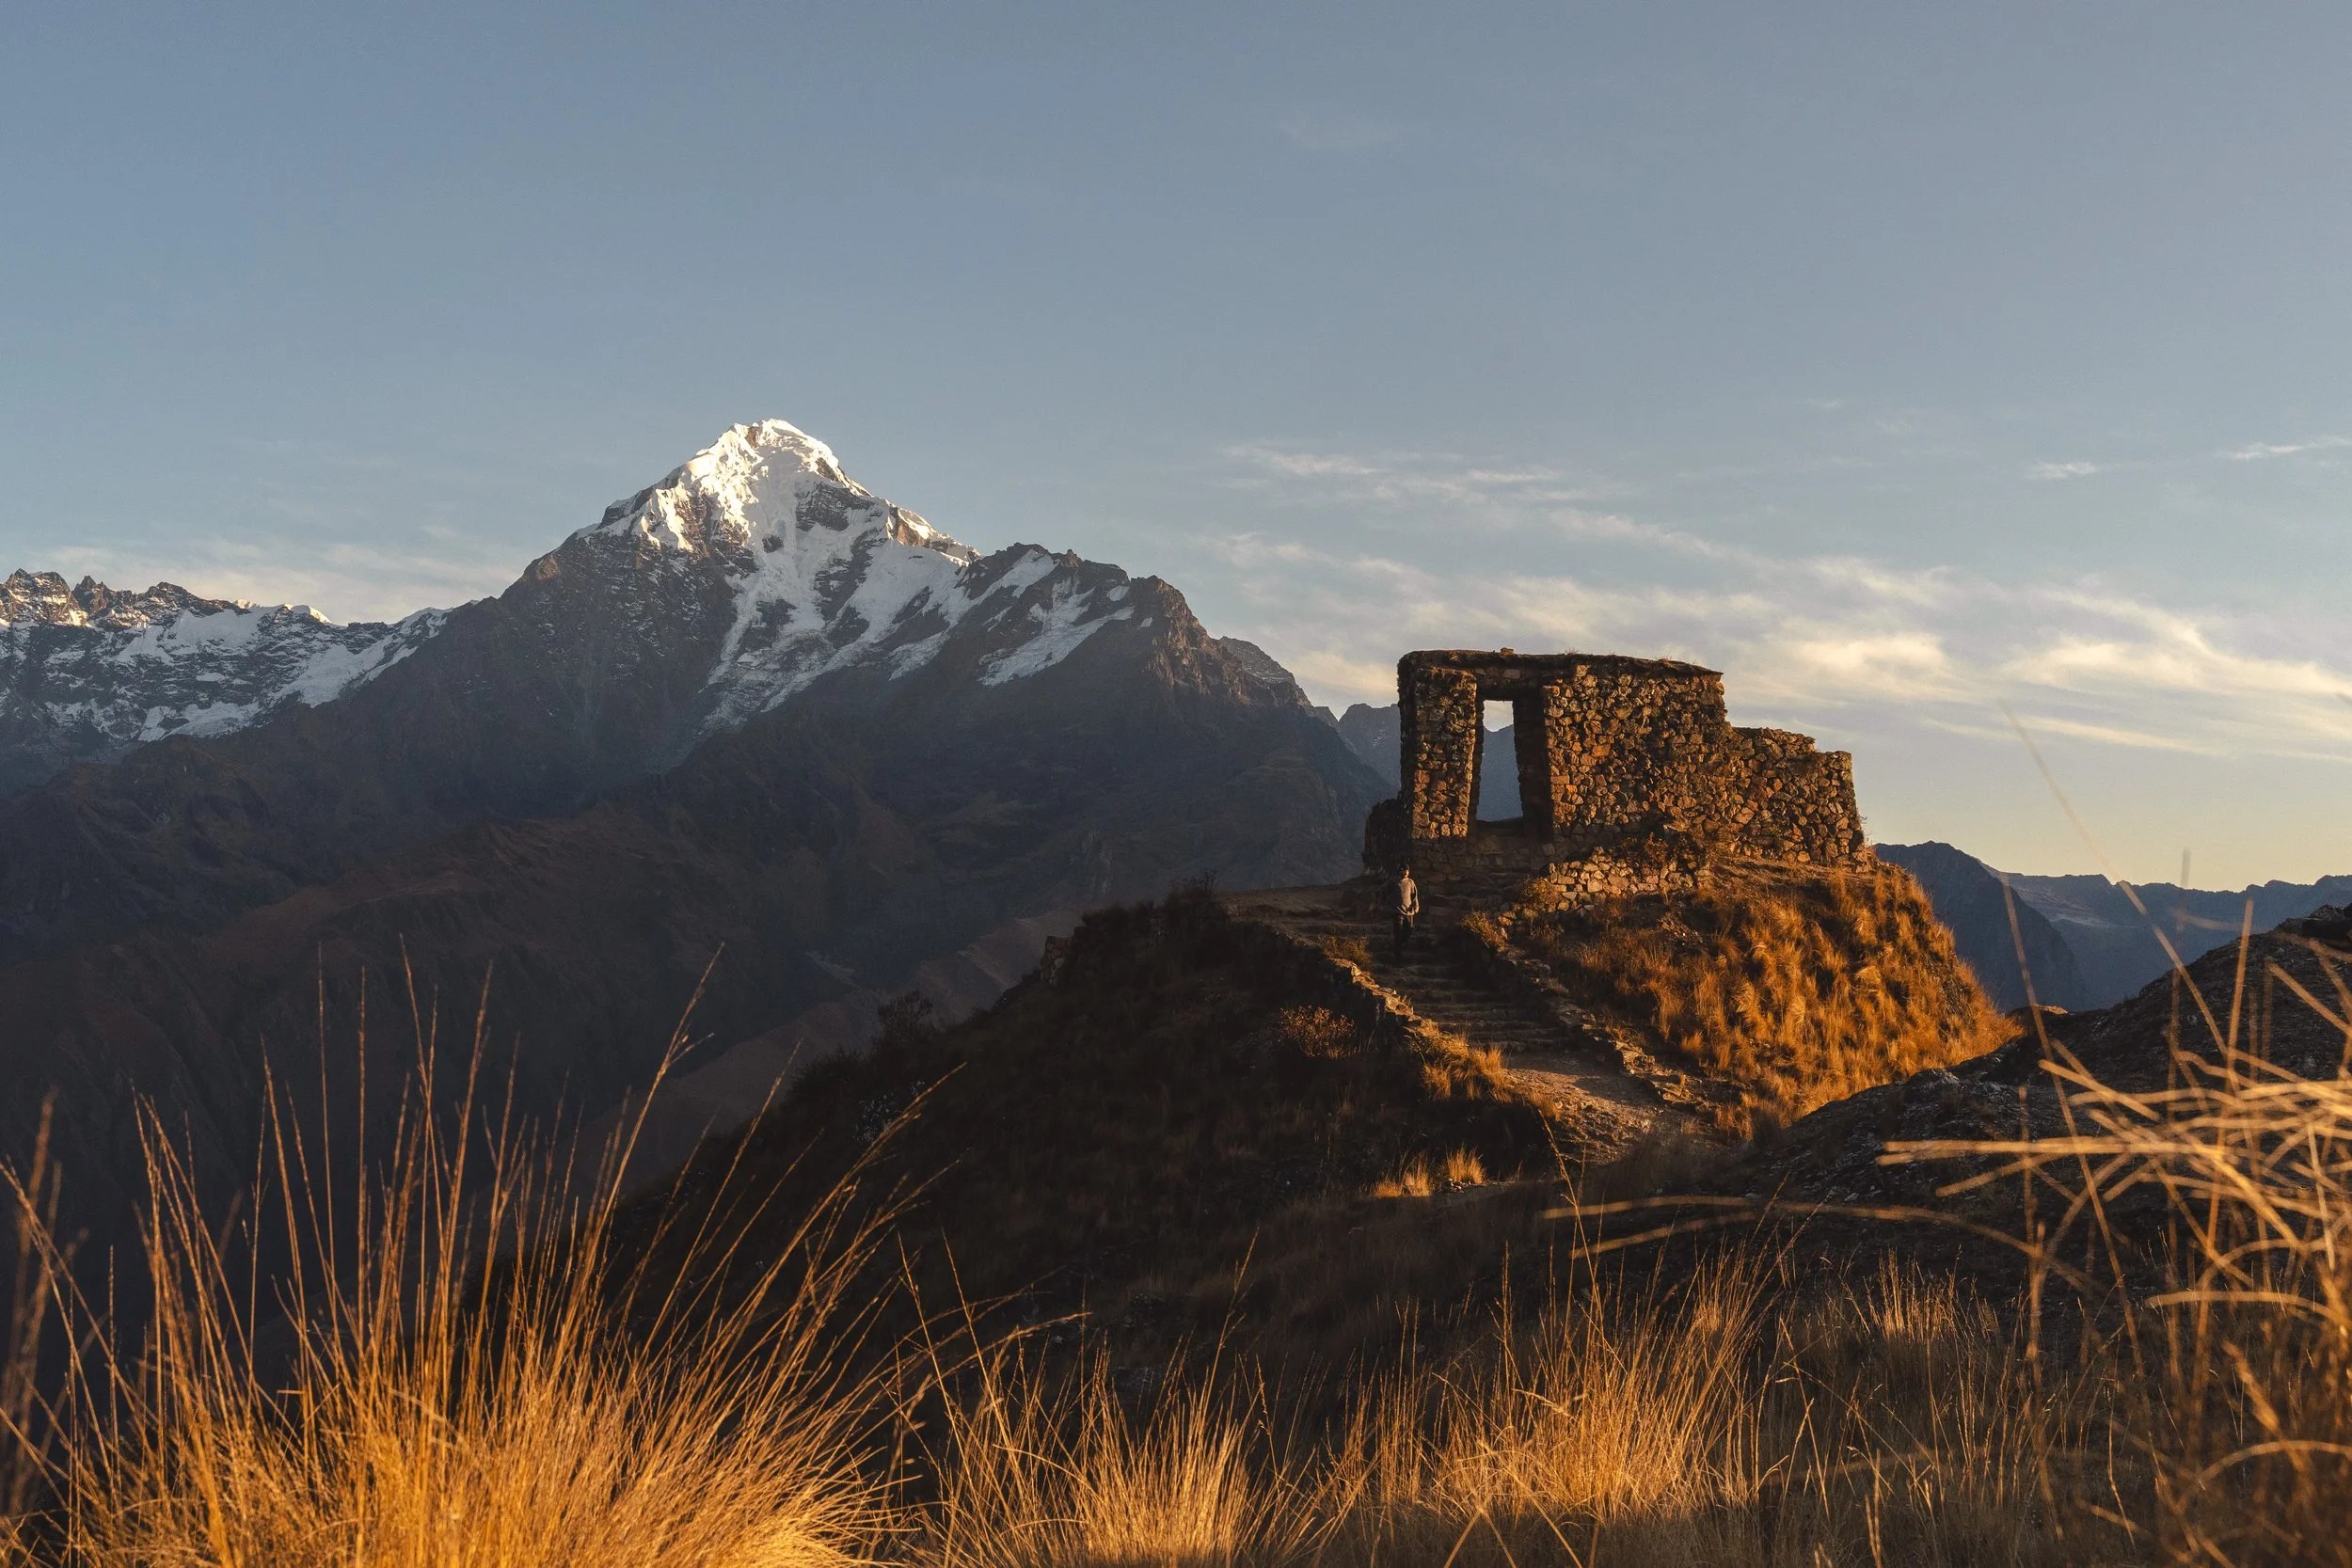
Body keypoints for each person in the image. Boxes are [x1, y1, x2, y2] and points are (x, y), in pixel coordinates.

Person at [1391, 864, 1421, 959]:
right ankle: (1397, 957)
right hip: (1398, 911)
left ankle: (1402, 944)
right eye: (1403, 871)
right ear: (1400, 871)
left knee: (1410, 930)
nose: (1405, 873)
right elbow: (1385, 892)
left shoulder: (1411, 882)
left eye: (1407, 871)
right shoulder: (1394, 882)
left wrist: (1416, 906)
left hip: (1409, 912)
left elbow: (1414, 895)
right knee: (1398, 932)